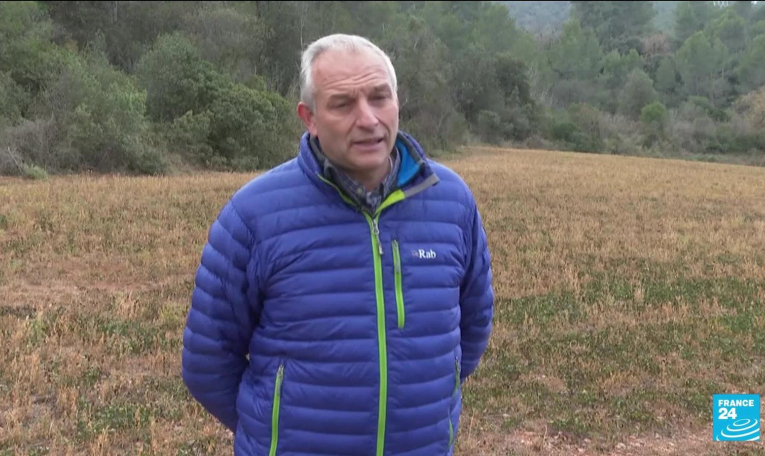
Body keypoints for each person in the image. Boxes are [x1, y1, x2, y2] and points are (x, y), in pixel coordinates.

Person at [181, 33, 494, 456]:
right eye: (343, 104)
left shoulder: (451, 201)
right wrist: (274, 431)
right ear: (309, 118)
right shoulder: (253, 215)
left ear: (397, 102)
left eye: (379, 97)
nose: (368, 119)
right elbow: (207, 361)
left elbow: (472, 327)